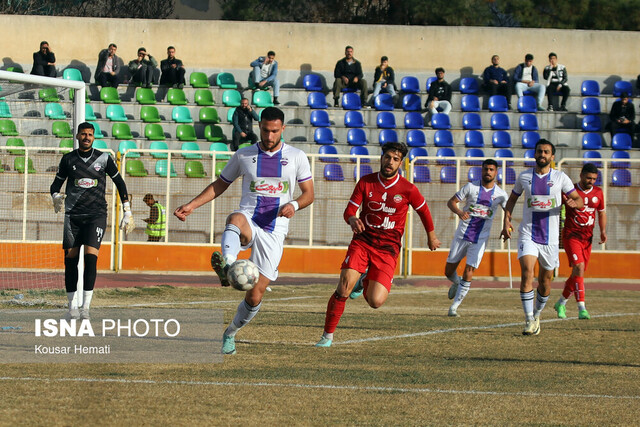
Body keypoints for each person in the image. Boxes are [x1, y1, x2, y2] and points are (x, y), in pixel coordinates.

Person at [174, 107, 314, 355]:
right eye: (264, 130)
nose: (269, 136)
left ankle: (230, 333)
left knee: (254, 296)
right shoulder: (244, 155)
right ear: (258, 127)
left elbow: (309, 194)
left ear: (283, 129)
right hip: (250, 219)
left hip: (275, 230)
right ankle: (228, 265)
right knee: (235, 217)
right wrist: (191, 205)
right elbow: (220, 184)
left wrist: (293, 204)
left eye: (274, 131)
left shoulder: (297, 156)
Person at [315, 142, 441, 347]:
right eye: (387, 157)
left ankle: (364, 280)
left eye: (395, 159)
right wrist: (352, 219)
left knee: (376, 302)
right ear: (381, 158)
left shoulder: (408, 189)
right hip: (363, 242)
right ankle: (327, 336)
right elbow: (349, 210)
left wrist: (431, 236)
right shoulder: (366, 182)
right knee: (344, 287)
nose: (390, 162)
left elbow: (423, 210)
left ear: (401, 163)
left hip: (388, 249)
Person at [50, 122, 134, 320]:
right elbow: (56, 184)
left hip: (96, 215)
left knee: (90, 258)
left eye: (90, 134)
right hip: (72, 216)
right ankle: (72, 307)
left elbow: (120, 183)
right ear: (77, 136)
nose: (86, 137)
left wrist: (127, 210)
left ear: (94, 137)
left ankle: (85, 308)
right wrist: (55, 195)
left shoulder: (104, 158)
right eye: (83, 134)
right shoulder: (68, 159)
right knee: (70, 260)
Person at [500, 139, 583, 336]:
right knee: (527, 272)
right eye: (539, 151)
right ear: (534, 154)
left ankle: (537, 314)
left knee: (545, 281)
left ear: (552, 157)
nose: (542, 155)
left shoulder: (561, 178)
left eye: (546, 152)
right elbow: (511, 200)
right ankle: (529, 319)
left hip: (551, 239)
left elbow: (579, 199)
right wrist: (506, 221)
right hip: (528, 233)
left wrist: (574, 203)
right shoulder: (524, 177)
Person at [444, 159, 508, 317]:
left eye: (491, 169)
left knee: (469, 269)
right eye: (486, 169)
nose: (488, 172)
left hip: (480, 238)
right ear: (482, 170)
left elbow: (509, 211)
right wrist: (460, 212)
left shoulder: (501, 194)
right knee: (448, 271)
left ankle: (454, 307)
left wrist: (506, 226)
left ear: (496, 172)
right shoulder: (470, 187)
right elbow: (451, 202)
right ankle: (457, 282)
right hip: (462, 234)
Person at [555, 163, 607, 320]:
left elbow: (602, 213)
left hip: (587, 238)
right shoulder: (571, 191)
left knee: (578, 272)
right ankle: (581, 308)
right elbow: (557, 208)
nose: (591, 181)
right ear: (581, 175)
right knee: (579, 266)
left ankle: (561, 303)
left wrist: (603, 231)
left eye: (594, 179)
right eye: (588, 178)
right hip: (571, 235)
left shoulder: (598, 192)